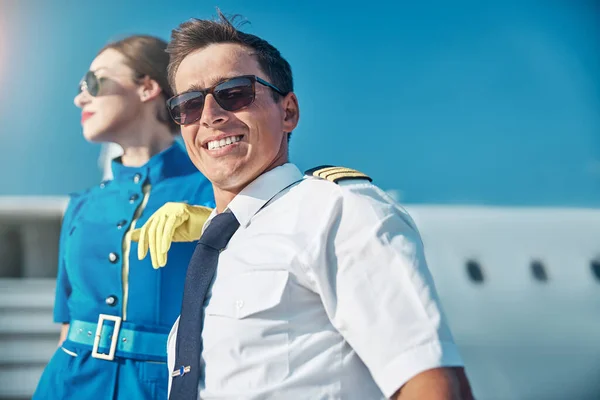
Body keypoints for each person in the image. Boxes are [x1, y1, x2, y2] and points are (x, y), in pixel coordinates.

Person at [134, 12, 475, 400]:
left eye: (234, 93)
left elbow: (430, 384)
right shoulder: (220, 252)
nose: (210, 116)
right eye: (190, 105)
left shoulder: (336, 213)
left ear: (289, 111)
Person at [33, 35, 215, 399]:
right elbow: (67, 326)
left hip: (162, 388)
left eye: (94, 82)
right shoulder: (80, 206)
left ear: (147, 86)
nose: (80, 97)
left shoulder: (212, 191)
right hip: (66, 383)